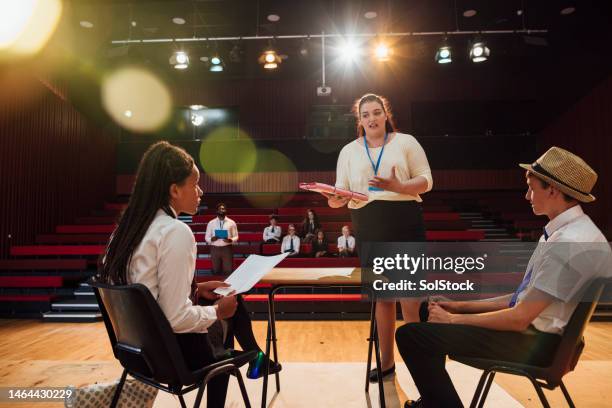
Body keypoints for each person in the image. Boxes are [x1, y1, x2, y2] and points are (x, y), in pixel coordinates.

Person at [395, 147, 612, 407]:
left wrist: (452, 320)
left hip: (535, 344)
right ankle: (434, 401)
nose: (527, 195)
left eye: (532, 188)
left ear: (553, 189)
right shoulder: (580, 233)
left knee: (411, 336)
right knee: (425, 311)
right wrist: (457, 306)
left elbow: (520, 318)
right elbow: (521, 299)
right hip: (545, 339)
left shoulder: (568, 244)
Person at [98, 142, 280, 408]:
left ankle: (256, 359)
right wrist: (217, 312)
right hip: (173, 359)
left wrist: (197, 290)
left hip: (135, 354)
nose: (201, 191)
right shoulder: (174, 232)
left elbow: (147, 295)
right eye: (195, 184)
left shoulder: (123, 232)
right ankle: (253, 360)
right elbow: (175, 318)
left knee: (223, 300)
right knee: (229, 308)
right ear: (174, 190)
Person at [326, 93, 433, 382]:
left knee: (411, 300)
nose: (371, 118)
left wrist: (400, 186)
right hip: (368, 224)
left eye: (376, 112)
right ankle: (387, 363)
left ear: (386, 114)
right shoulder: (349, 150)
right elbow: (341, 189)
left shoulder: (406, 142)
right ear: (359, 120)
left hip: (405, 220)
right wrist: (335, 199)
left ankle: (423, 371)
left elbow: (426, 179)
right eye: (365, 115)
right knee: (383, 298)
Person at [205, 203, 238, 275]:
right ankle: (217, 286)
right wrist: (212, 239)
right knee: (216, 270)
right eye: (220, 209)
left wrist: (230, 240)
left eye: (223, 209)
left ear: (226, 210)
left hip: (227, 248)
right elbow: (206, 237)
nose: (221, 210)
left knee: (228, 271)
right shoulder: (211, 223)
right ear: (217, 211)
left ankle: (227, 286)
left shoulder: (232, 222)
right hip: (214, 248)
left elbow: (236, 236)